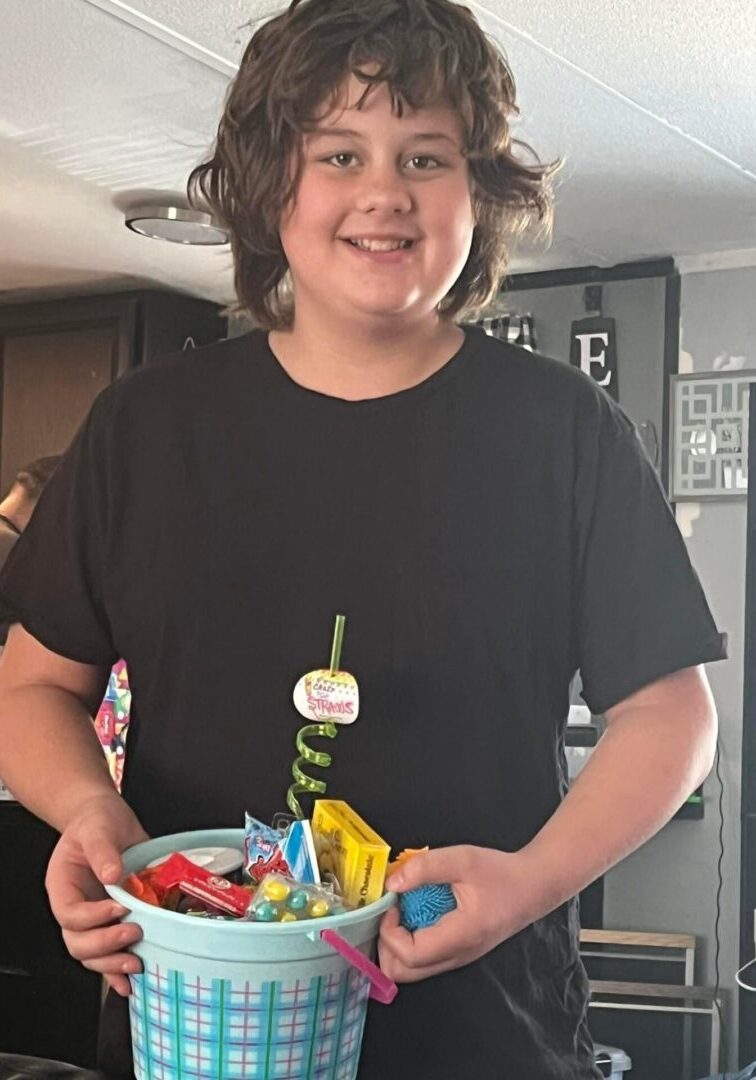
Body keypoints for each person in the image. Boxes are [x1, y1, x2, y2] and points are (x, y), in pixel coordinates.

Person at [0, 2, 726, 1077]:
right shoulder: (144, 431)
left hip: (484, 1032)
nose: (385, 191)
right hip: (201, 1015)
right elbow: (30, 688)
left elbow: (673, 717)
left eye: (426, 156)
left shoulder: (565, 433)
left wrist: (528, 883)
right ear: (270, 186)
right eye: (340, 152)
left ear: (478, 193)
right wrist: (88, 812)